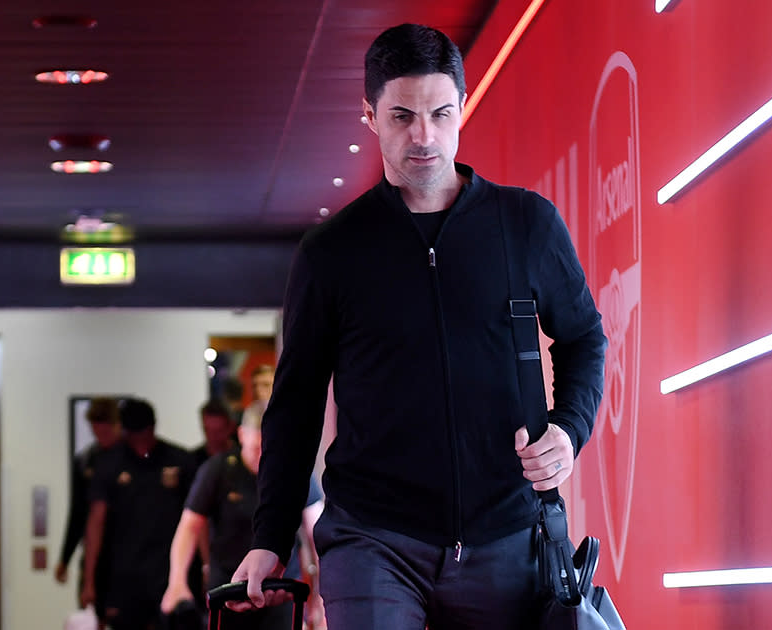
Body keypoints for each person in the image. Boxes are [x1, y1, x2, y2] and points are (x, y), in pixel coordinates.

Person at [231, 24, 607, 630]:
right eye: (402, 115)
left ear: (461, 107)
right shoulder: (333, 251)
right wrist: (270, 535)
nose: (424, 136)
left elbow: (584, 337)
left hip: (507, 533)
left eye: (441, 113)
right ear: (369, 115)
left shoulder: (526, 225)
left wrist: (569, 428)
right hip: (372, 536)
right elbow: (296, 400)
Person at [162, 401, 325, 630]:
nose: (263, 458)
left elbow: (317, 532)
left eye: (269, 450)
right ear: (241, 435)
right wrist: (177, 580)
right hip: (229, 590)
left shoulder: (293, 471)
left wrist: (322, 596)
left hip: (279, 592)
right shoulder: (217, 469)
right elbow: (189, 527)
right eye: (256, 449)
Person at [82, 398, 197, 630]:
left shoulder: (179, 460)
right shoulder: (109, 463)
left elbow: (197, 519)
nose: (140, 441)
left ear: (152, 428)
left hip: (167, 571)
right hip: (124, 575)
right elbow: (96, 522)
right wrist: (89, 580)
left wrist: (203, 569)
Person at [55, 397, 122, 600]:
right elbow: (78, 512)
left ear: (117, 426)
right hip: (95, 552)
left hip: (127, 553)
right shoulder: (86, 461)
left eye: (106, 432)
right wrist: (65, 558)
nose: (101, 438)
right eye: (96, 432)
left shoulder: (131, 458)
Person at [190, 397, 238, 467]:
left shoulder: (245, 459)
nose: (212, 437)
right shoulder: (193, 461)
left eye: (218, 431)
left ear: (231, 427)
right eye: (207, 430)